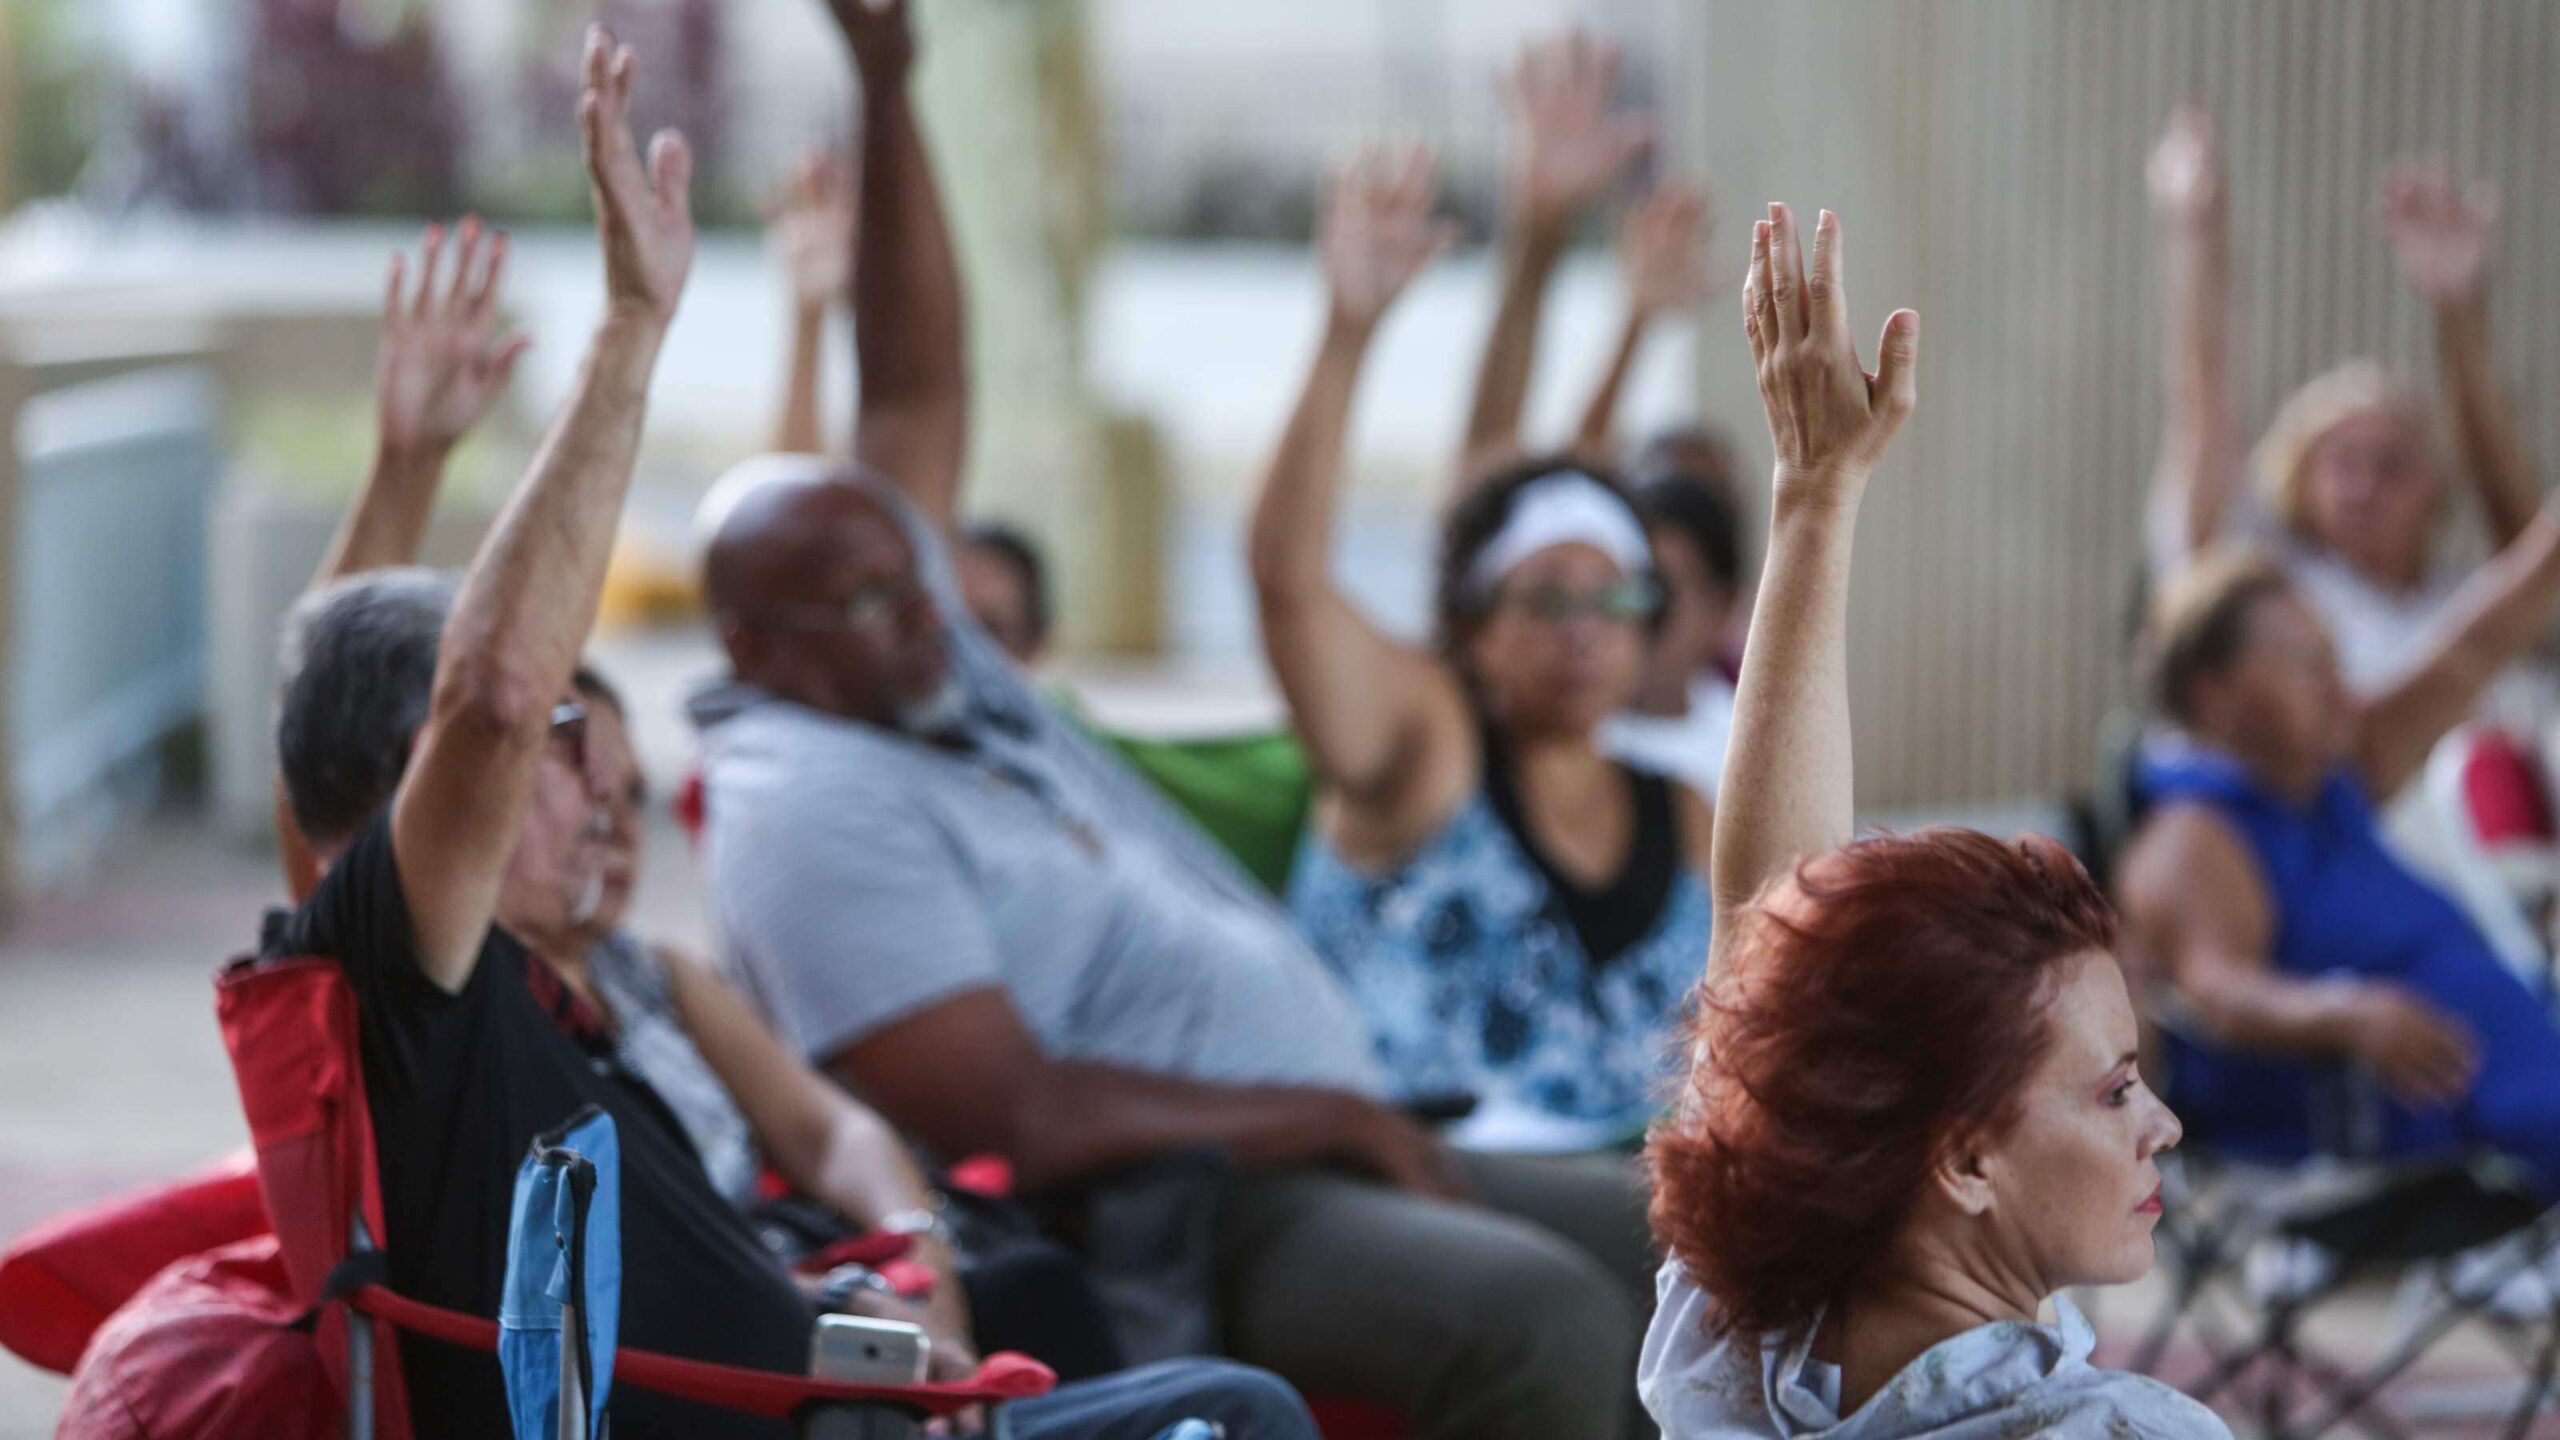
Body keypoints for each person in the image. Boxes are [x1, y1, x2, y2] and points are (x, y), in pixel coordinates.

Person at [693, 6, 1658, 1437]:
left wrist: (889, 90)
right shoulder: (805, 810)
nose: (931, 617)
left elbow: (912, 382)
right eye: (879, 608)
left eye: (922, 583)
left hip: (1320, 1133)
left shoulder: (899, 657)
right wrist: (1322, 1118)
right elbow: (1016, 1121)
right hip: (1187, 1212)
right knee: (1544, 1319)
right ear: (761, 645)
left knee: (1708, 1244)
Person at [1640, 203, 2223, 1438]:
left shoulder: (1742, 1354)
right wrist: (1811, 498)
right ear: (1959, 1161)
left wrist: (1814, 497)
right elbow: (1766, 933)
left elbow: (1767, 934)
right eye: (2115, 1090)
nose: (2162, 1122)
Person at [1249, 143, 1712, 1147]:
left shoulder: (1687, 815)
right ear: (1472, 628)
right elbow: (1288, 587)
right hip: (1402, 1183)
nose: (1583, 630)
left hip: (1632, 1195)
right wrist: (1345, 334)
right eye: (1545, 601)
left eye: (1613, 600)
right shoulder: (1427, 748)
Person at [2117, 530, 2560, 1193]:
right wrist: (2346, 1011)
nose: (2336, 684)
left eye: (2334, 658)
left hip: (2504, 1094)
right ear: (2215, 694)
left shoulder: (2325, 783)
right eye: (2304, 662)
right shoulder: (2192, 836)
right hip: (2398, 1133)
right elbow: (2218, 994)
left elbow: (2474, 646)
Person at [2147, 105, 2542, 704]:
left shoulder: (2465, 600)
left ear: (2435, 488)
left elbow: (2533, 547)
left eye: (2391, 465)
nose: (2364, 486)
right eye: (2341, 463)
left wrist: (2460, 312)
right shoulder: (2273, 587)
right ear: (2298, 480)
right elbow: (2203, 409)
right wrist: (2198, 237)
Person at [761, 132, 1053, 666]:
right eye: (942, 622)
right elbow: (790, 539)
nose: (961, 651)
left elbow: (925, 409)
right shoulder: (878, 717)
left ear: (1038, 648)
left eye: (989, 630)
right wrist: (809, 315)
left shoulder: (1055, 744)